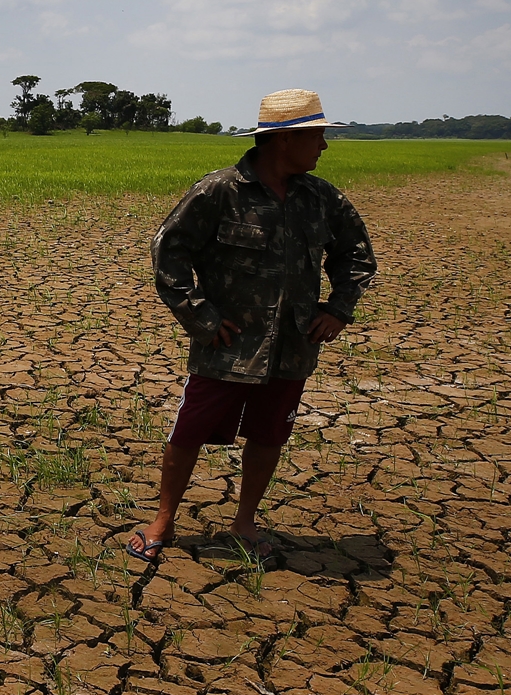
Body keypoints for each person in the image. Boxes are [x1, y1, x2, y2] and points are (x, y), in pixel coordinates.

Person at [127, 89, 378, 568]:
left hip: (293, 346)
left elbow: (356, 256)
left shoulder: (322, 198)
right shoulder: (219, 191)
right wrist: (200, 315)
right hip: (226, 344)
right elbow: (170, 251)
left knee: (269, 436)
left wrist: (339, 309)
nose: (324, 146)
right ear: (285, 140)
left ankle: (244, 521)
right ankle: (163, 519)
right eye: (318, 136)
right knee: (190, 431)